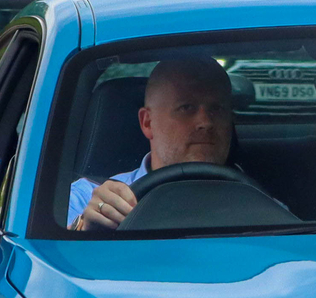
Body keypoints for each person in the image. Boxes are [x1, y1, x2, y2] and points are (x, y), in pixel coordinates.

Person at [66, 55, 238, 231]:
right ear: (147, 122)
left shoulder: (258, 196)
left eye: (217, 109)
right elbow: (49, 252)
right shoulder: (86, 197)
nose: (206, 122)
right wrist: (84, 228)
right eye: (186, 108)